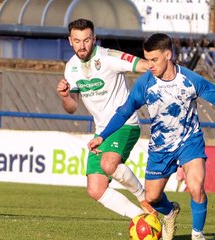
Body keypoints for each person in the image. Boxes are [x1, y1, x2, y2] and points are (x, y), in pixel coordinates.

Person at [87, 33, 215, 240]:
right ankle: (171, 212)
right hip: (160, 147)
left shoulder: (189, 79)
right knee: (152, 198)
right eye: (147, 60)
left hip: (189, 141)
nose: (150, 65)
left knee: (195, 186)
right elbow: (123, 112)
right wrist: (103, 136)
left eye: (154, 60)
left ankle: (197, 234)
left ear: (168, 55)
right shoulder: (145, 84)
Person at [56, 18, 156, 219]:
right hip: (101, 132)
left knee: (108, 164)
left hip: (124, 125)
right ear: (70, 41)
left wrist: (165, 68)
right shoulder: (71, 67)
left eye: (86, 40)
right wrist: (65, 96)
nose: (82, 45)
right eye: (77, 41)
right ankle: (145, 219)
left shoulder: (109, 57)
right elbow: (72, 108)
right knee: (95, 189)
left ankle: (143, 197)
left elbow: (144, 65)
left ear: (94, 38)